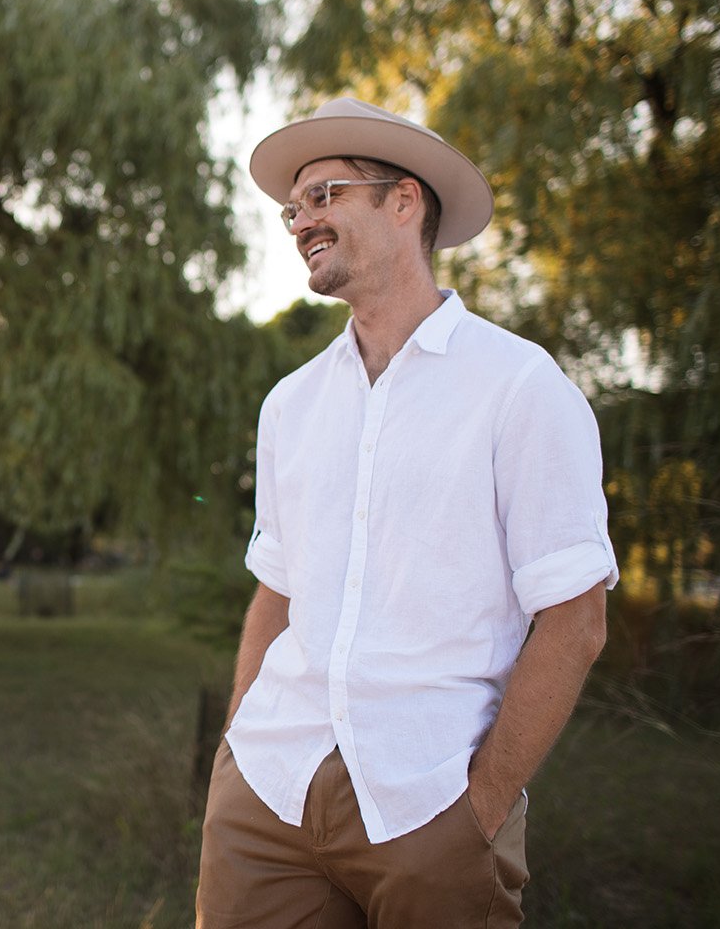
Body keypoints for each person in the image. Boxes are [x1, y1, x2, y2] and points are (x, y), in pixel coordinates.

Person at [196, 98, 618, 928]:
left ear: (404, 201)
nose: (301, 221)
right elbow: (276, 593)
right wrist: (234, 750)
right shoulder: (290, 404)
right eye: (294, 207)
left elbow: (576, 620)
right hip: (267, 792)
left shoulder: (521, 388)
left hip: (432, 802)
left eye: (326, 196)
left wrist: (482, 810)